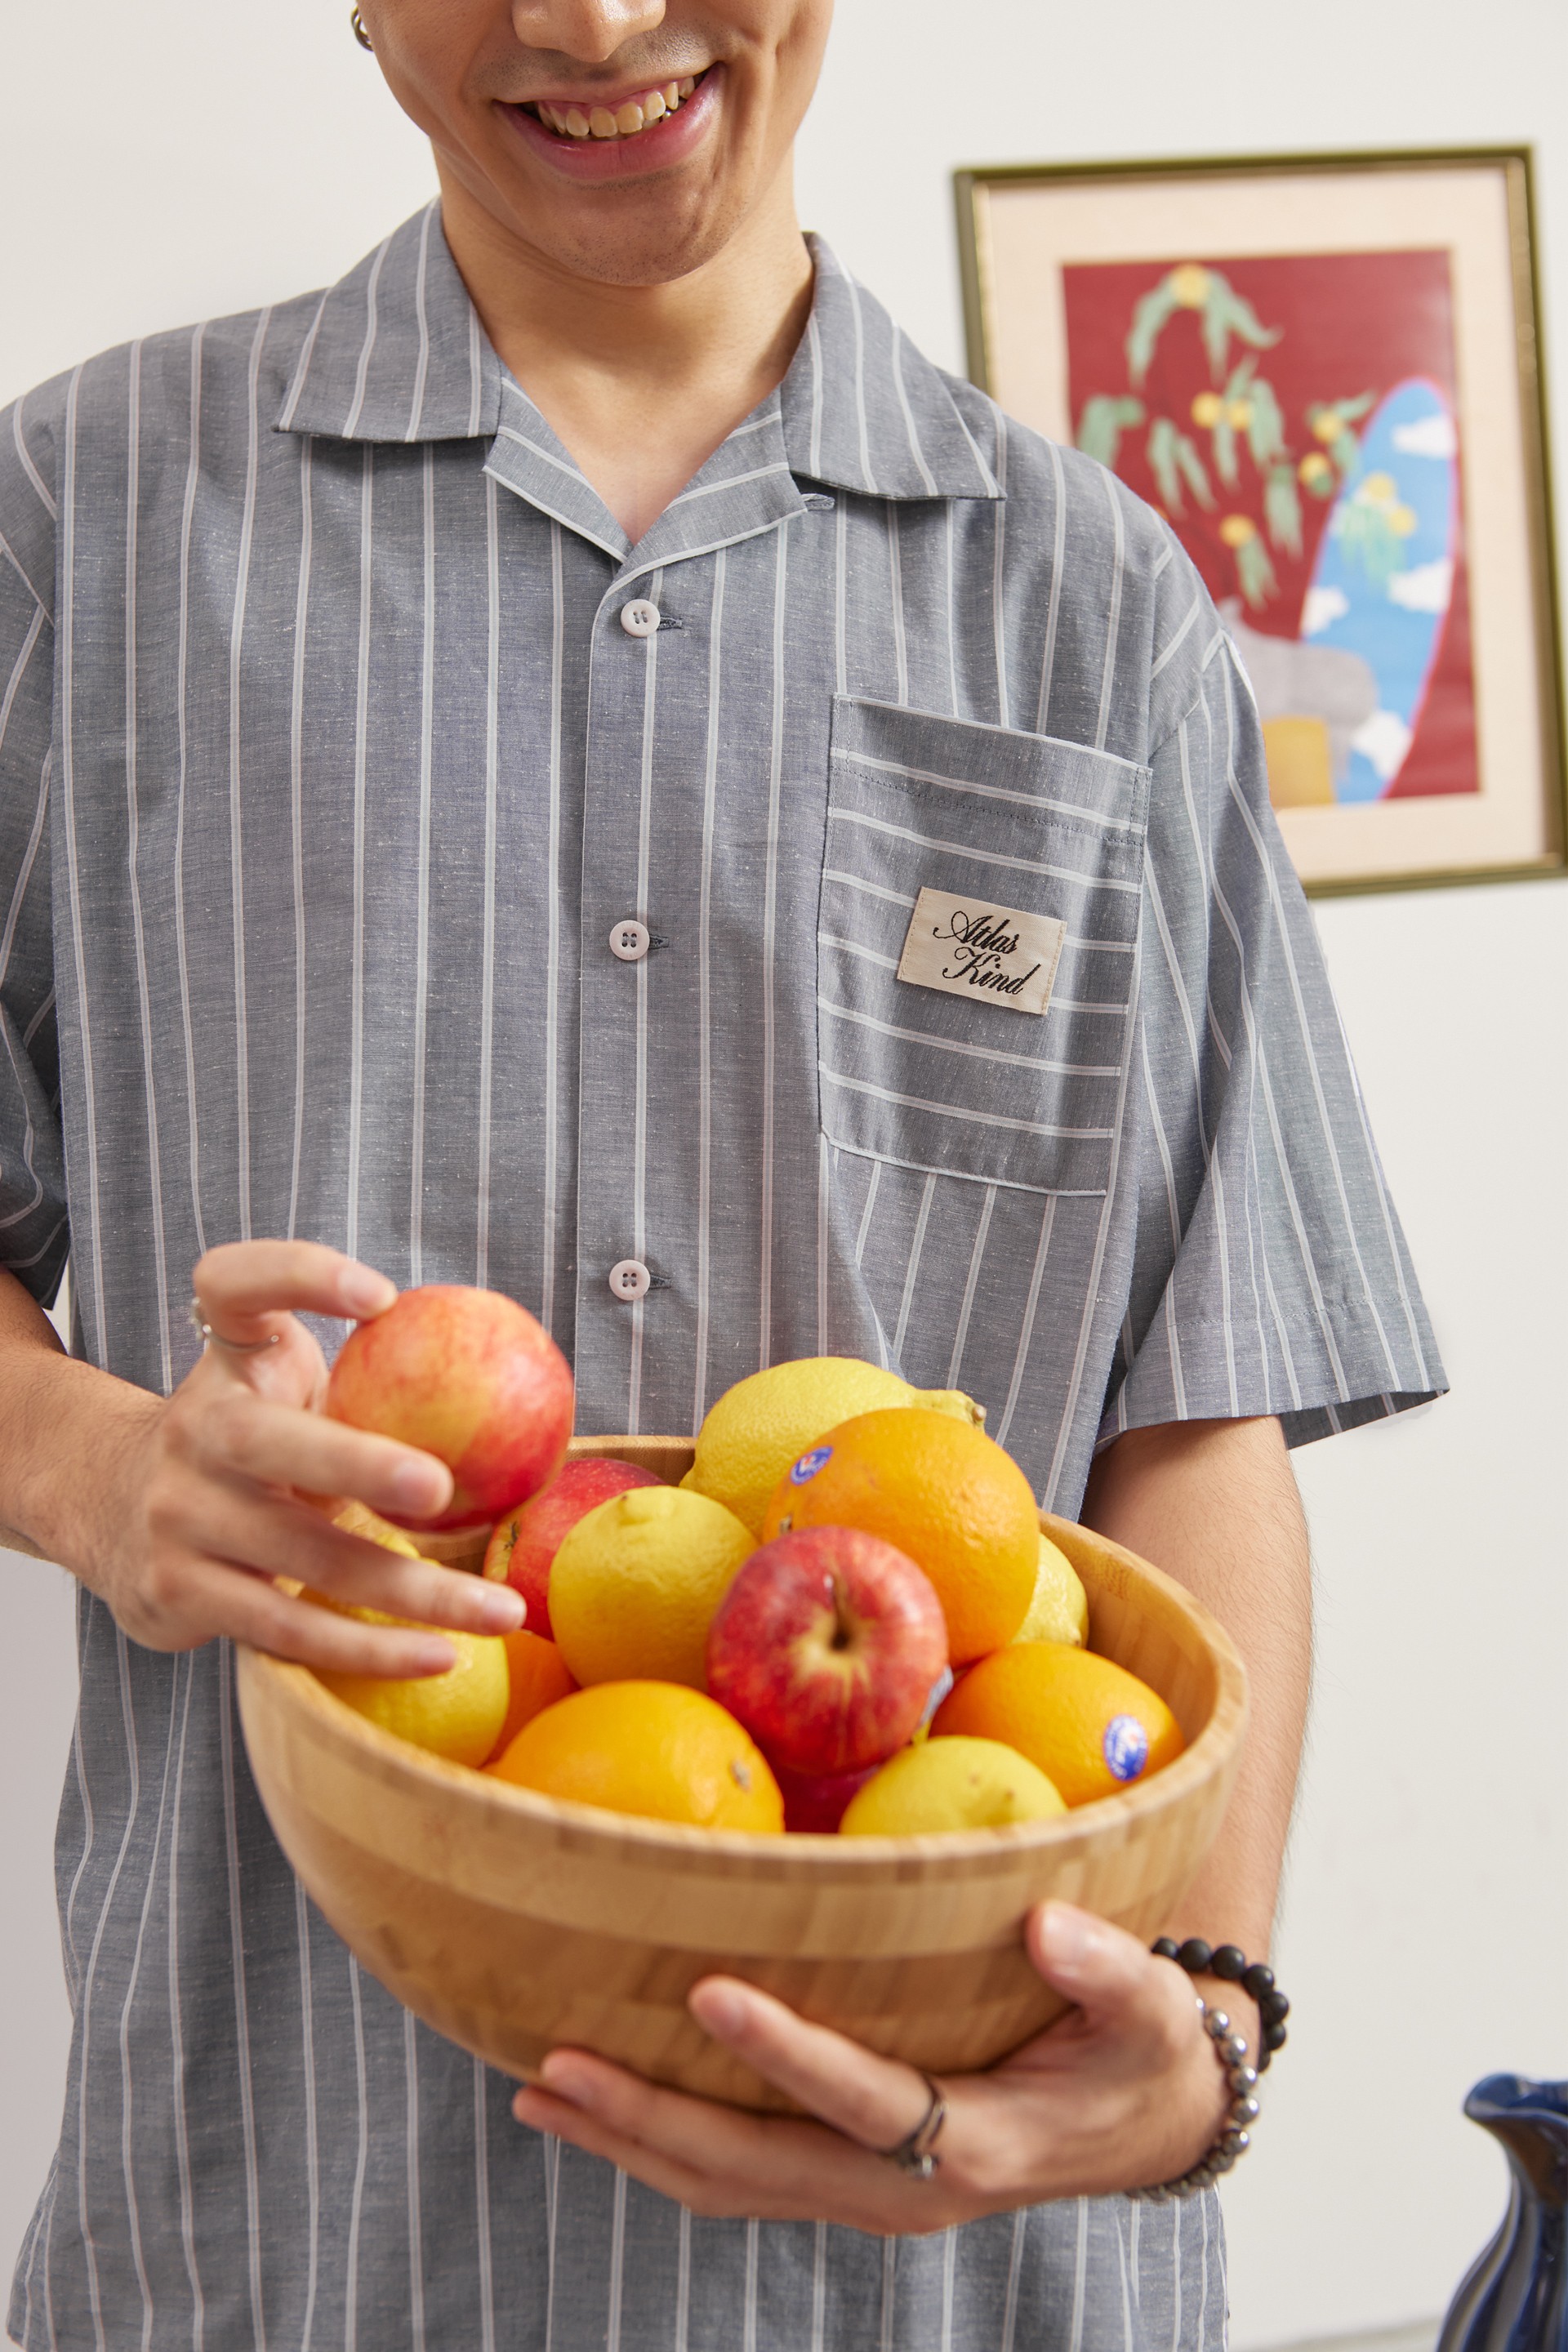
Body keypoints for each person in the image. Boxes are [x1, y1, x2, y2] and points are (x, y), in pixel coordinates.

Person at [0, 0, 1444, 2345]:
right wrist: (92, 1467)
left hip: (961, 2266)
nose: (585, 21)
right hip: (288, 2234)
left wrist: (1206, 2036)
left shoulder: (1095, 604)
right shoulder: (75, 525)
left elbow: (1209, 1396)